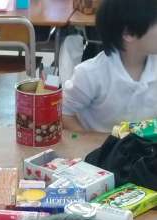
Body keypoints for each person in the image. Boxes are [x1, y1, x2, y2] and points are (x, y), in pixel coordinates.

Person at [63, 0, 157, 134]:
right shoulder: (90, 74)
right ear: (129, 33)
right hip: (101, 145)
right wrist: (91, 141)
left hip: (144, 145)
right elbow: (64, 112)